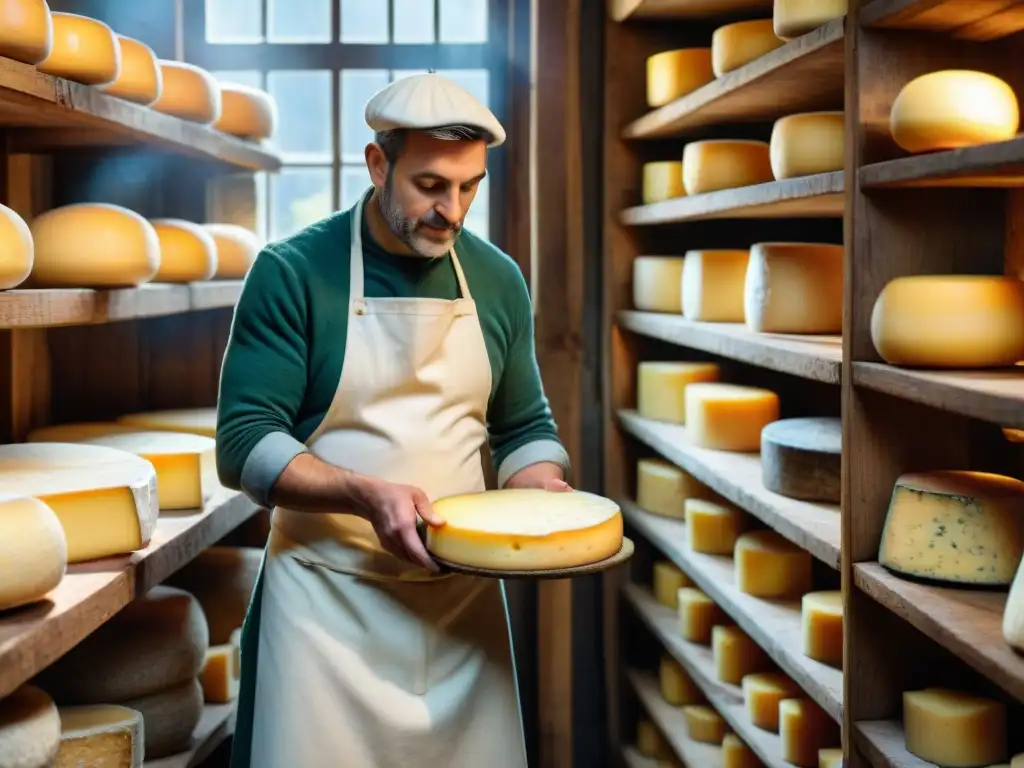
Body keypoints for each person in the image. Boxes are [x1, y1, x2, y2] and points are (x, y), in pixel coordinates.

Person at [217, 73, 571, 768]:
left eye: (470, 187)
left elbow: (522, 424)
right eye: (431, 185)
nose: (453, 209)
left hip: (460, 610)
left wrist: (543, 491)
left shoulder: (497, 279)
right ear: (378, 164)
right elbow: (244, 442)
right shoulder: (292, 272)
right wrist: (363, 492)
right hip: (325, 612)